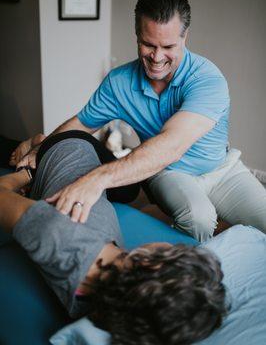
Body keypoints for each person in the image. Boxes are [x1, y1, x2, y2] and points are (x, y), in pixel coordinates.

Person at [10, 0, 266, 242]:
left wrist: (96, 180)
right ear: (136, 35)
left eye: (168, 46)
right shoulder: (119, 82)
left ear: (185, 36)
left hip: (222, 169)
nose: (157, 57)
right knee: (199, 218)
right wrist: (42, 147)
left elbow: (172, 145)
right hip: (168, 172)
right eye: (148, 44)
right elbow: (80, 123)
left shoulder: (207, 79)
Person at [0, 133, 227, 345]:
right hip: (81, 161)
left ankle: (37, 148)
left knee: (129, 186)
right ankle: (39, 142)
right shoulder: (112, 305)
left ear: (151, 262)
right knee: (129, 191)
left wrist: (28, 174)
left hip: (68, 145)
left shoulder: (57, 233)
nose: (171, 245)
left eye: (176, 250)